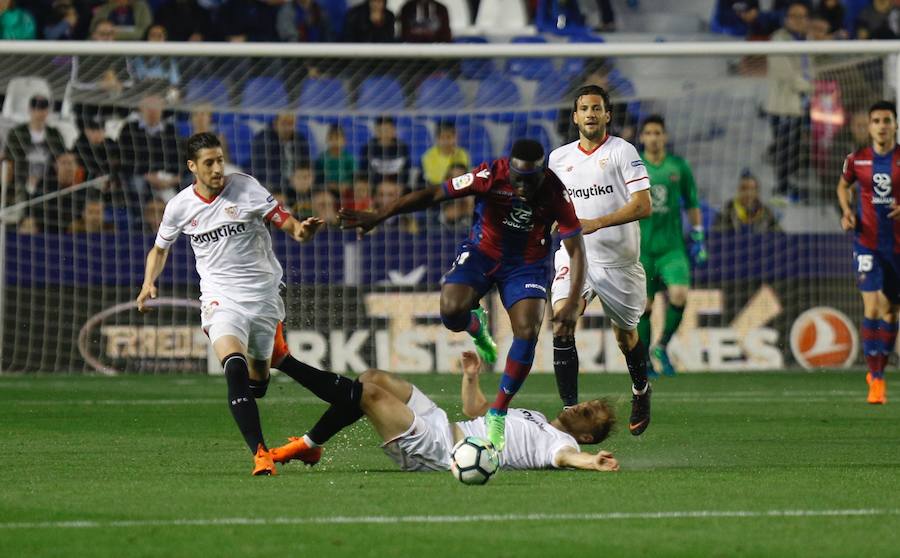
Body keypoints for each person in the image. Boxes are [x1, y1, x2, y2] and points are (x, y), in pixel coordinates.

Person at [340, 138, 587, 452]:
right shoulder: (489, 175)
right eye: (518, 179)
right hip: (482, 253)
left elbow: (577, 251)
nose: (523, 187)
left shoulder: (555, 192)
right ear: (509, 170)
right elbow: (433, 194)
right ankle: (476, 326)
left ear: (542, 173)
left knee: (527, 331)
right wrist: (380, 214)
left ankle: (497, 412)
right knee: (451, 312)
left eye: (531, 181)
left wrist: (574, 299)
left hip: (526, 266)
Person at [135, 132, 325, 474]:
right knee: (233, 367)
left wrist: (303, 232)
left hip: (264, 297)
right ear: (193, 167)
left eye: (220, 160)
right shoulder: (180, 206)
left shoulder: (246, 188)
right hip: (220, 299)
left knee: (258, 384)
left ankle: (274, 361)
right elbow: (159, 249)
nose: (217, 168)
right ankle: (261, 454)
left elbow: (288, 224)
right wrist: (149, 282)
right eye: (209, 163)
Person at [268, 350, 620, 474]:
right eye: (589, 403)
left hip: (442, 451)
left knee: (368, 394)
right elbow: (478, 409)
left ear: (586, 436)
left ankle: (285, 362)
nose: (582, 405)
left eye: (589, 414)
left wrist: (593, 461)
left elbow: (568, 460)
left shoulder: (561, 443)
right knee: (372, 378)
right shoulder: (537, 418)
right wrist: (471, 378)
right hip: (444, 424)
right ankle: (312, 443)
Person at [547, 85, 652, 437]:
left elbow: (643, 205)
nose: (590, 114)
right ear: (575, 116)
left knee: (626, 339)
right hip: (576, 257)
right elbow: (550, 205)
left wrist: (595, 223)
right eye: (584, 108)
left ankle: (641, 389)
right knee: (563, 321)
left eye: (597, 108)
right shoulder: (558, 159)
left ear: (607, 115)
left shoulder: (623, 152)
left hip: (619, 263)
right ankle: (570, 413)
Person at [836, 100, 900, 405]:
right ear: (870, 126)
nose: (882, 125)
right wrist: (847, 211)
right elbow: (842, 187)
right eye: (876, 120)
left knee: (891, 311)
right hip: (867, 243)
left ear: (896, 125)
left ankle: (879, 370)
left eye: (887, 120)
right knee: (872, 307)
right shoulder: (856, 159)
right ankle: (875, 378)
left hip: (898, 248)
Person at [636, 115, 706, 378]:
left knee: (678, 294)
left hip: (672, 248)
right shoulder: (634, 167)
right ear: (642, 138)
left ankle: (662, 346)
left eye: (658, 133)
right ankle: (643, 360)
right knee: (644, 305)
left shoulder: (678, 167)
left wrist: (698, 235)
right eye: (649, 133)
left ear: (664, 137)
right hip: (642, 250)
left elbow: (692, 202)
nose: (653, 137)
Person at [766, 2, 812, 201]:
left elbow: (811, 68)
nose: (799, 20)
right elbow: (787, 74)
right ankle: (781, 187)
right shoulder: (778, 40)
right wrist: (811, 87)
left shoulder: (806, 40)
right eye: (794, 16)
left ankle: (788, 184)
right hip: (782, 105)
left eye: (803, 16)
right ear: (786, 19)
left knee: (794, 148)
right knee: (784, 148)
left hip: (802, 104)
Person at [3, 95, 66, 203]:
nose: (39, 113)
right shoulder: (17, 133)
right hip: (21, 180)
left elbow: (60, 158)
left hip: (49, 182)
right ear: (30, 110)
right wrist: (26, 178)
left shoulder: (54, 134)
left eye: (43, 109)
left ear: (47, 111)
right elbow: (11, 159)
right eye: (36, 108)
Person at [712, 171, 782, 233]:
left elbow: (780, 234)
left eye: (752, 189)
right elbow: (716, 233)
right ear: (738, 190)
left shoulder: (766, 211)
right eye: (744, 188)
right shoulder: (727, 209)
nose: (748, 193)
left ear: (757, 192)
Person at [360, 116, 411, 187]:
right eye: (381, 130)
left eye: (387, 130)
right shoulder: (367, 148)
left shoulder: (402, 147)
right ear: (376, 131)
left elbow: (406, 171)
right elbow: (364, 172)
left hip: (397, 187)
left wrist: (397, 187)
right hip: (375, 188)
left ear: (393, 130)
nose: (384, 133)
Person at [421, 121, 470, 187]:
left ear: (455, 137)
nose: (446, 141)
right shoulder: (428, 156)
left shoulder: (462, 153)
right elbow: (433, 179)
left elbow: (465, 174)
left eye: (449, 137)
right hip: (437, 188)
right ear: (437, 139)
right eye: (442, 138)